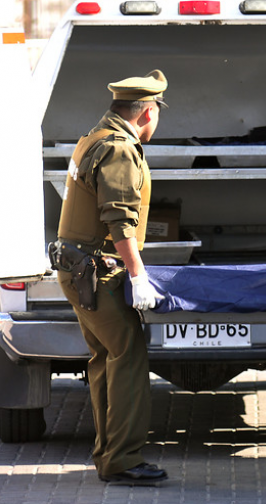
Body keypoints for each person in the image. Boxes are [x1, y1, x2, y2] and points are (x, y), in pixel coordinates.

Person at [53, 70, 169, 485]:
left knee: (105, 359)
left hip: (79, 269)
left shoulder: (93, 136)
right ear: (147, 112)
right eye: (156, 114)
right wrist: (138, 276)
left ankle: (108, 454)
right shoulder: (119, 149)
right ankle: (121, 459)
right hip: (97, 273)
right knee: (128, 358)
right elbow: (118, 219)